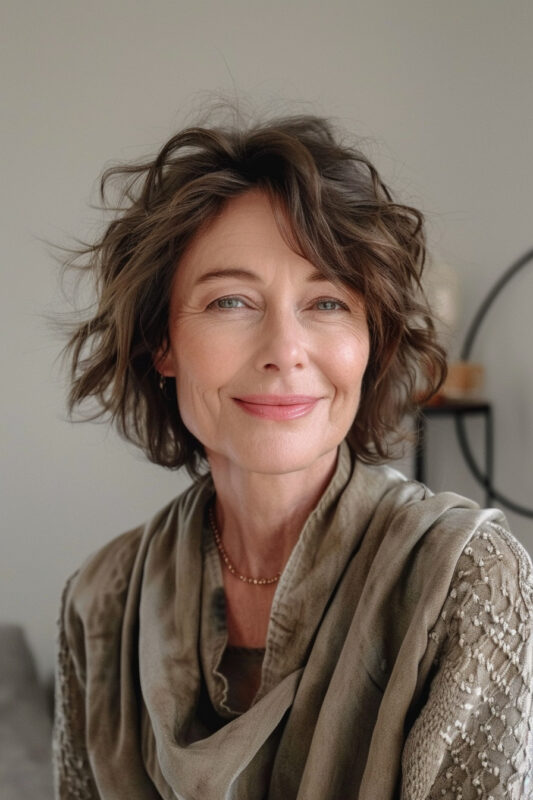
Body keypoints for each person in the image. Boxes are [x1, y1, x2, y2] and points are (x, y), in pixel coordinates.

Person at [53, 112, 533, 800]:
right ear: (162, 343)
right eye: (230, 300)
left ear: (370, 341)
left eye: (327, 302)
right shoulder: (97, 602)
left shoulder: (469, 581)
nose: (284, 348)